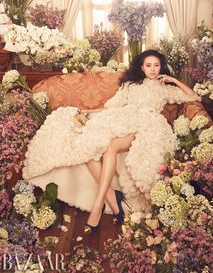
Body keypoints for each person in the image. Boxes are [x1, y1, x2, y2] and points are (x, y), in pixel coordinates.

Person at [23, 49, 200, 234]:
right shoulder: (130, 85)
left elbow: (193, 96)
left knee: (111, 146)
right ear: (142, 67)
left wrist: (175, 80)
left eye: (156, 66)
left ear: (161, 67)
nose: (153, 69)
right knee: (90, 146)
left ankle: (98, 206)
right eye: (148, 65)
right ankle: (112, 199)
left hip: (147, 125)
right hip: (124, 118)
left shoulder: (164, 88)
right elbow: (110, 106)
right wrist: (86, 112)